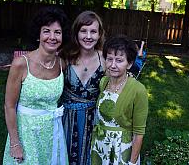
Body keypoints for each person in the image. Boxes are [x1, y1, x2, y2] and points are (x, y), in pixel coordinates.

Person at [2, 6, 69, 164]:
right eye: (46, 31)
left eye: (57, 32)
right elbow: (9, 106)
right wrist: (15, 143)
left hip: (53, 133)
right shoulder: (21, 64)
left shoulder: (61, 64)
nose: (52, 37)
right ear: (38, 35)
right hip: (26, 135)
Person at [91, 35, 149, 165]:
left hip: (121, 150)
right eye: (109, 59)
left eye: (119, 60)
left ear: (129, 63)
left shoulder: (138, 90)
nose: (112, 65)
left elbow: (139, 133)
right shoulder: (104, 82)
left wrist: (132, 163)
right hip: (101, 145)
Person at [59, 11, 105, 165]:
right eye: (83, 31)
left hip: (94, 121)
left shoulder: (105, 59)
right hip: (67, 120)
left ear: (99, 34)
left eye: (93, 31)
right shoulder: (65, 57)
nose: (88, 36)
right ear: (76, 33)